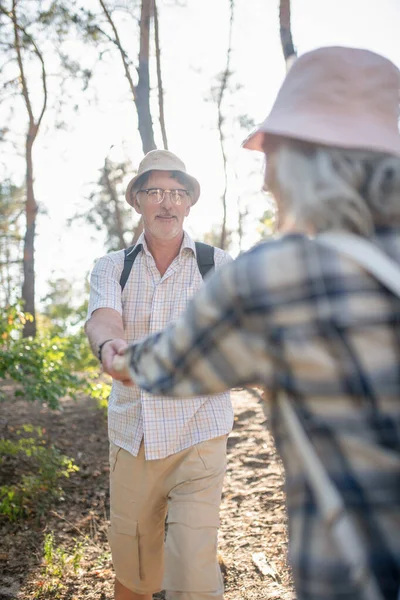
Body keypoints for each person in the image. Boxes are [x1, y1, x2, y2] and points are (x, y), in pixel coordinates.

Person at [112, 47, 400, 600]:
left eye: (273, 154)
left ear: (304, 160)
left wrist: (120, 358)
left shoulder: (281, 277)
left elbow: (170, 365)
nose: (266, 179)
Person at [85, 149, 233, 600]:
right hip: (135, 436)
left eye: (176, 193)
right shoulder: (113, 266)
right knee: (135, 576)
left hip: (199, 433)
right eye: (155, 192)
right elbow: (104, 319)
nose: (166, 203)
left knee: (193, 569)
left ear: (188, 202)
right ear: (137, 201)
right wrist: (111, 348)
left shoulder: (217, 265)